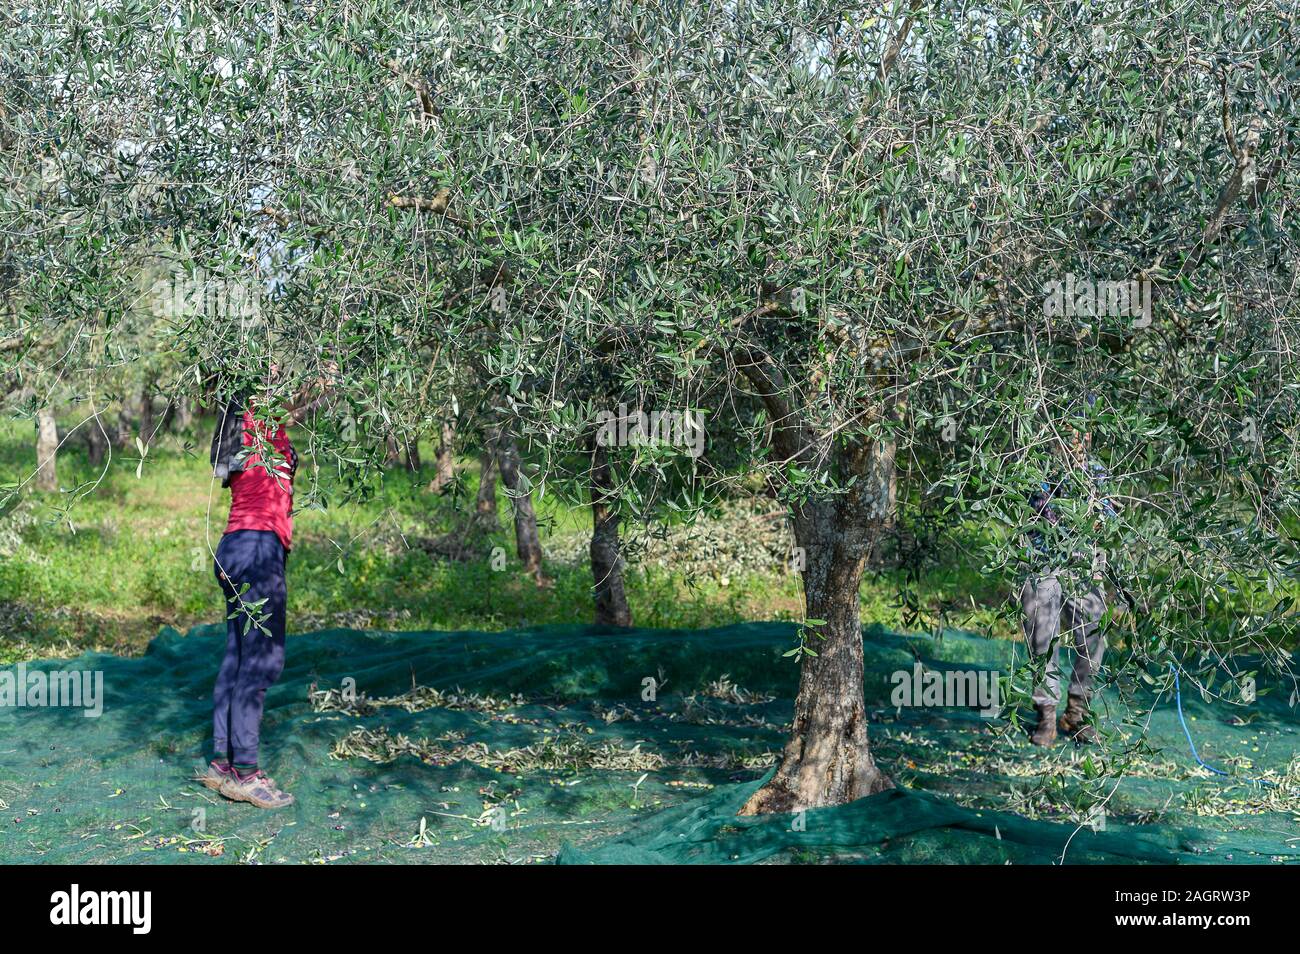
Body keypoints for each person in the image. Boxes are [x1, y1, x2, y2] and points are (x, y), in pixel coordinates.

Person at [198, 363, 332, 808]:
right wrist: (323, 369)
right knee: (260, 664)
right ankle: (247, 773)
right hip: (257, 552)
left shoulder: (237, 427)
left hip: (235, 549)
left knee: (238, 657)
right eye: (272, 369)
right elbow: (305, 395)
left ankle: (221, 762)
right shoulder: (258, 419)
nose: (280, 375)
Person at [1022, 409, 1117, 747]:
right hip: (1045, 560)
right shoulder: (1040, 469)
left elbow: (1110, 514)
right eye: (1070, 432)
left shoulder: (1096, 472)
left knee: (1094, 635)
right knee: (1041, 638)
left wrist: (1101, 515)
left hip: (1083, 562)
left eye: (1083, 433)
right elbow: (1037, 512)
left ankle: (1076, 711)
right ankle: (1046, 714)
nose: (1078, 439)